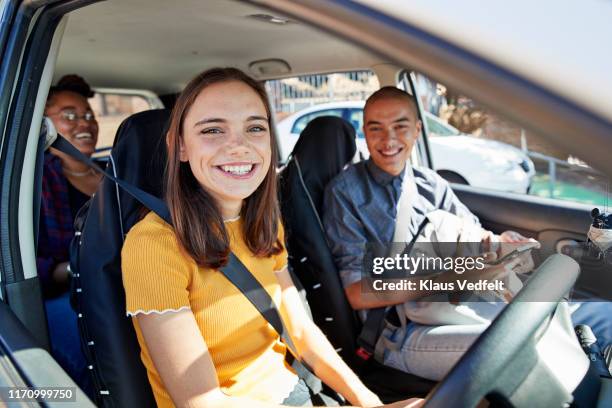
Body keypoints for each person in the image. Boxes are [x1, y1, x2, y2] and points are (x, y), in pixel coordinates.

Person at [121, 68, 421, 408]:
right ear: (180, 148)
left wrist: (370, 403)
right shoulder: (153, 246)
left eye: (255, 128)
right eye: (213, 130)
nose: (239, 145)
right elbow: (202, 403)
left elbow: (301, 332)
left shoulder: (261, 224)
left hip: (295, 392)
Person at [322, 86, 612, 381]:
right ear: (364, 132)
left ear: (418, 130)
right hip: (402, 329)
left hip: (465, 298)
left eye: (400, 126)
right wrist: (455, 276)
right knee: (536, 346)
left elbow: (474, 233)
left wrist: (502, 243)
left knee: (600, 317)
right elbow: (356, 294)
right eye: (376, 129)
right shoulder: (345, 194)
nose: (389, 140)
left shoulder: (430, 183)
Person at [39, 74, 101, 397]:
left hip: (125, 280)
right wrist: (73, 267)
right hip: (67, 293)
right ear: (43, 124)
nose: (85, 123)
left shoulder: (112, 172)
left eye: (89, 115)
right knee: (89, 356)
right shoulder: (35, 183)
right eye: (70, 115)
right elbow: (28, 265)